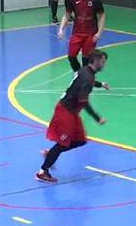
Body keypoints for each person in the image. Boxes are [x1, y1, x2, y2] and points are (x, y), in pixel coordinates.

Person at [36, 49, 110, 183]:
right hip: (65, 111)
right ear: (96, 61)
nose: (104, 65)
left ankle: (50, 154)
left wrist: (100, 84)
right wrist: (97, 117)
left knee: (80, 140)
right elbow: (84, 102)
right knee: (63, 143)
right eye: (103, 62)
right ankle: (42, 172)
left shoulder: (85, 71)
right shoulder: (88, 78)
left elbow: (87, 81)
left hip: (71, 112)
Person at [58, 0, 106, 72]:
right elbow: (67, 16)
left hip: (90, 34)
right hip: (77, 33)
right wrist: (61, 29)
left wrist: (99, 32)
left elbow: (102, 16)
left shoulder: (95, 0)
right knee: (71, 56)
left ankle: (84, 77)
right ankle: (78, 73)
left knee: (86, 59)